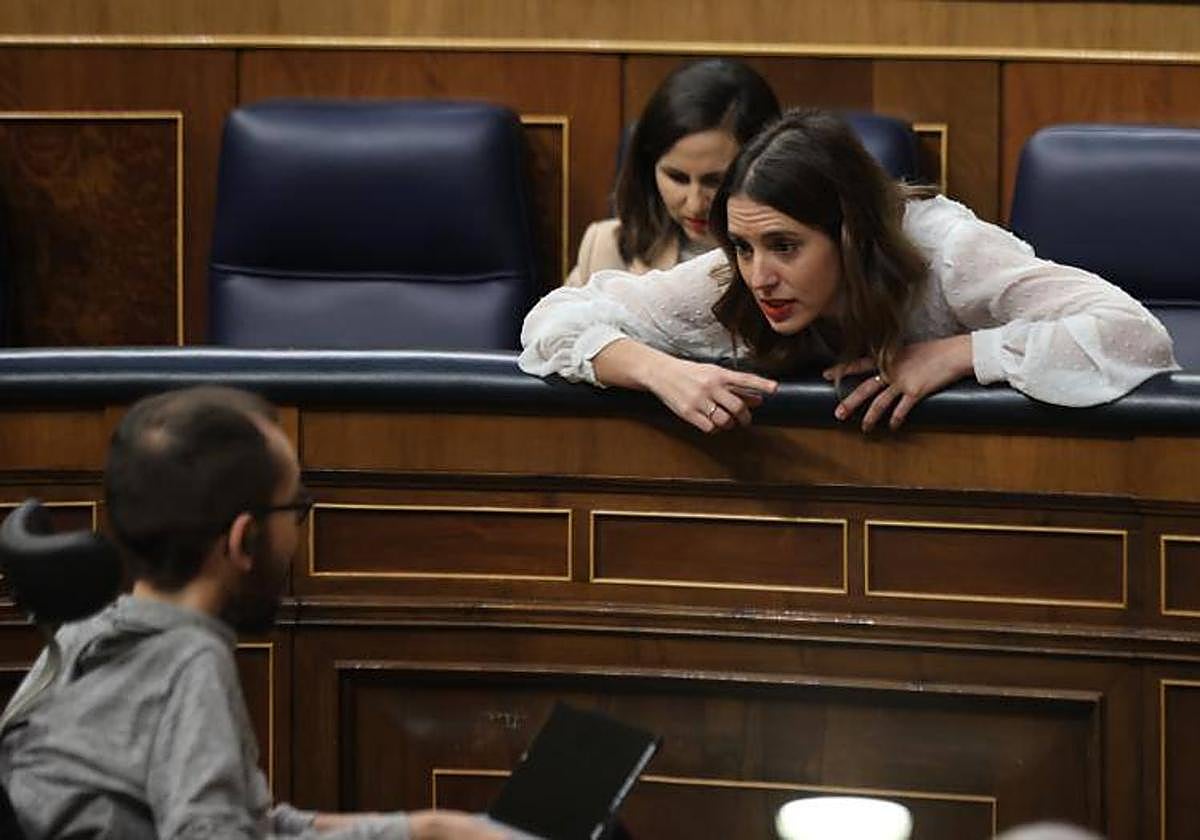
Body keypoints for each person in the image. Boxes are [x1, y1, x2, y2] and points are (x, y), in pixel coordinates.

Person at [0, 386, 506, 840]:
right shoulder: (189, 664)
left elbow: (241, 822)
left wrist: (428, 830)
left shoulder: (87, 632)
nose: (299, 532)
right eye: (296, 507)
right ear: (243, 539)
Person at [521, 109, 1178, 433]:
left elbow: (1135, 335)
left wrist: (961, 353)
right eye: (744, 248)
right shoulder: (736, 278)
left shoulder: (947, 251)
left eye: (785, 247)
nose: (759, 276)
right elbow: (555, 319)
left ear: (851, 233)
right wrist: (659, 370)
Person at [564, 58, 780, 286]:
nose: (695, 205)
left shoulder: (796, 259)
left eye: (715, 181)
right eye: (677, 178)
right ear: (649, 167)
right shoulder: (608, 248)